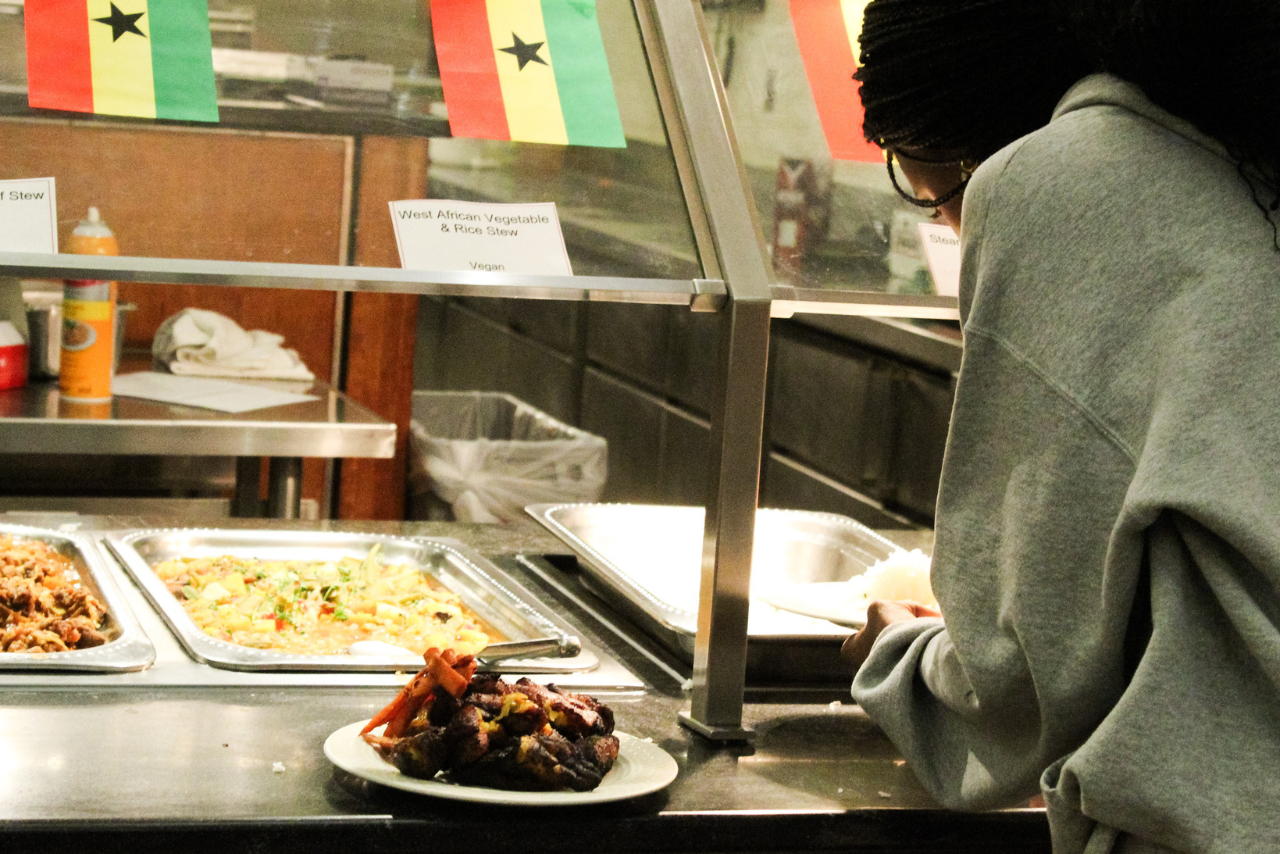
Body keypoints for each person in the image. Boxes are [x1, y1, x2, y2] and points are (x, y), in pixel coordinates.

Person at [839, 1, 1280, 851]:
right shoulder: (1248, 161)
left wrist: (897, 654)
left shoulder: (1073, 178)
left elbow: (1019, 685)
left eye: (942, 198)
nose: (954, 232)